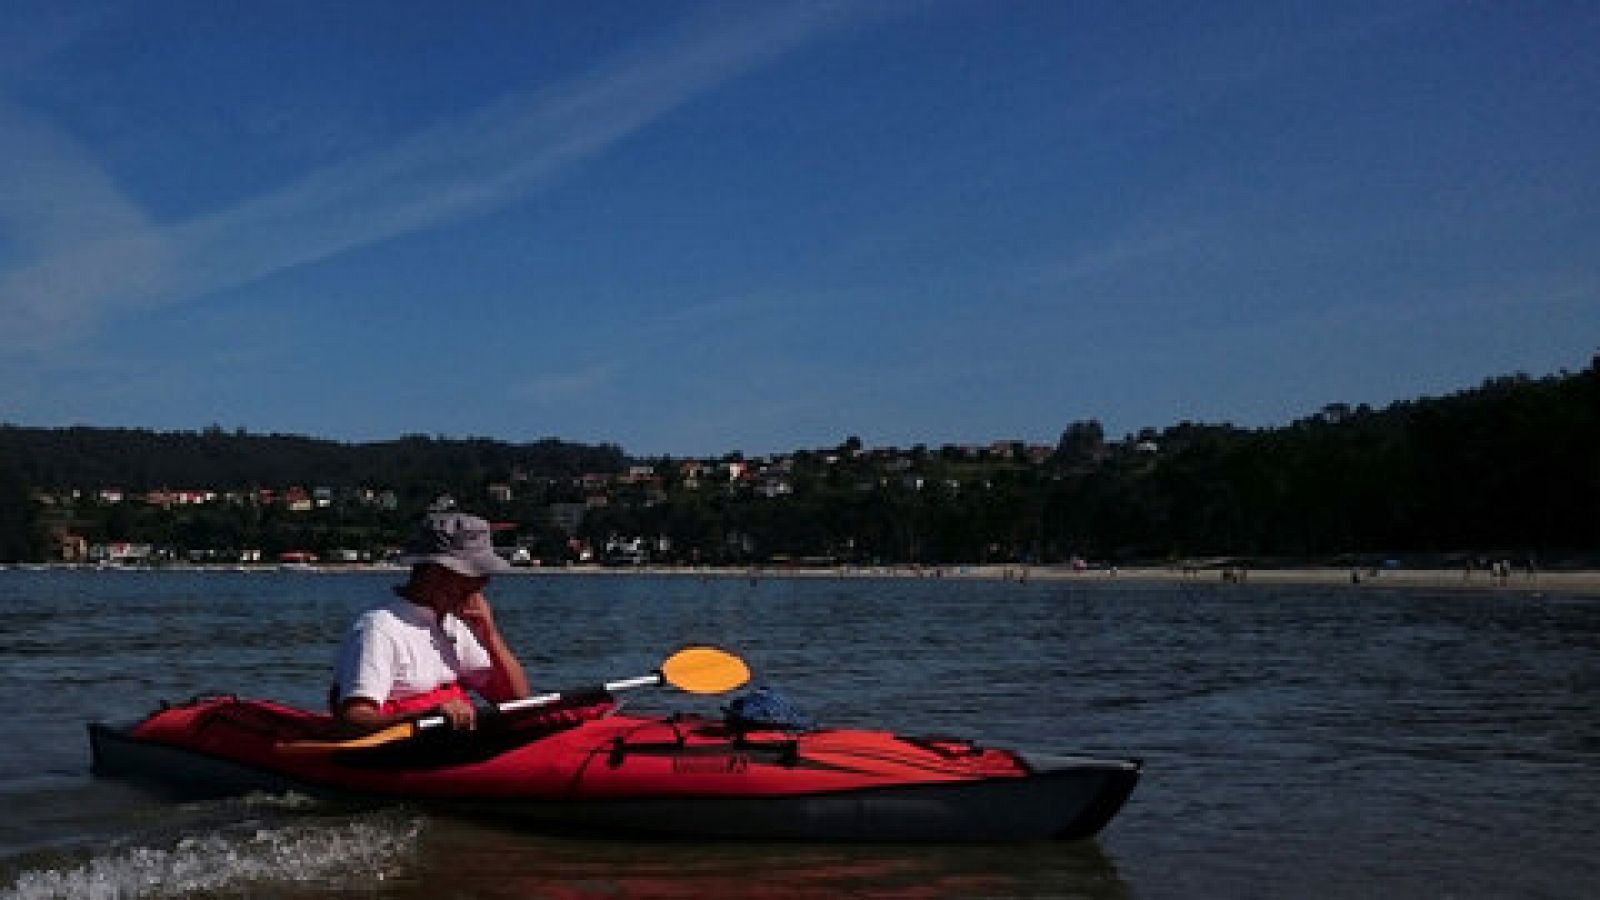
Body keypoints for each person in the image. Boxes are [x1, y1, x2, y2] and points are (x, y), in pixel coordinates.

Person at [331, 511, 530, 734]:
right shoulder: (379, 629)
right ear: (435, 572)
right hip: (407, 754)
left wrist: (490, 633)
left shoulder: (452, 625)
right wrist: (425, 718)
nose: (483, 584)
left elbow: (516, 701)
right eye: (474, 575)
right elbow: (353, 719)